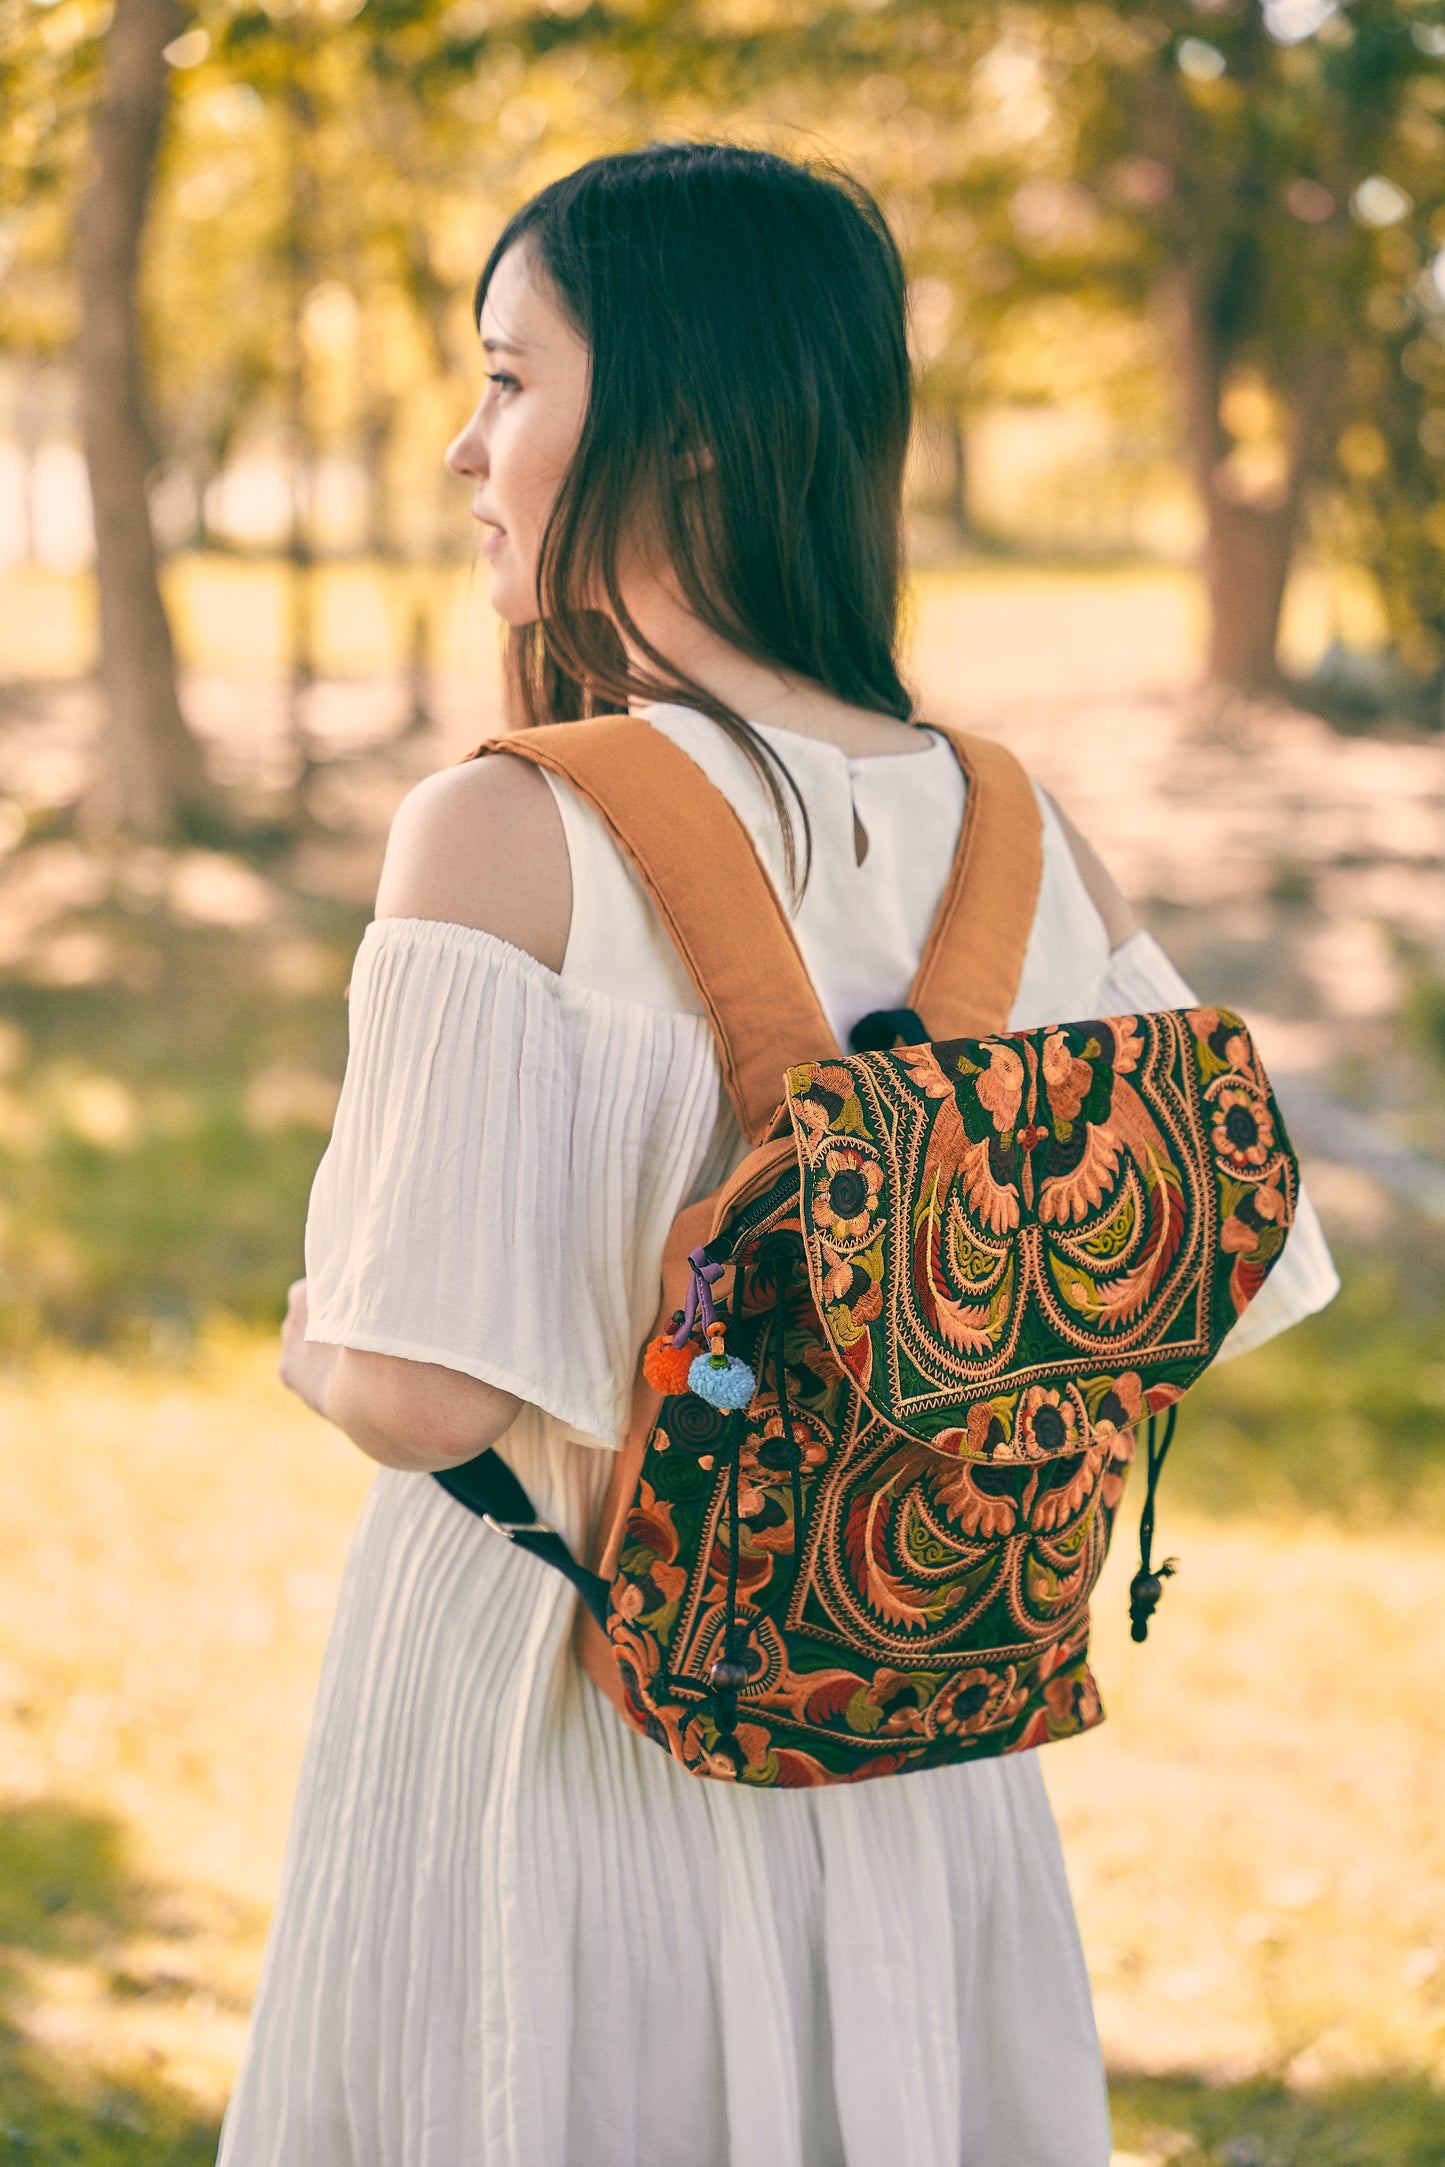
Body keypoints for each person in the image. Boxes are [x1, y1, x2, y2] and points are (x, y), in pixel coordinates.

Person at [218, 143, 1337, 2167]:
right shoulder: (1019, 829)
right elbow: (1236, 1270)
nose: (468, 450)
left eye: (509, 379)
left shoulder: (504, 827)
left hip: (564, 1723)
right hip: (918, 1739)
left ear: (694, 432)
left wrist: (313, 1336)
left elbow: (418, 1387)